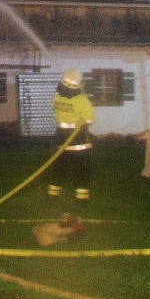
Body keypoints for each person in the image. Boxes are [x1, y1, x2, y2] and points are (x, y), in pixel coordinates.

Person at [48, 68, 93, 201]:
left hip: (61, 139)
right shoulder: (81, 100)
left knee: (58, 168)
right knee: (82, 169)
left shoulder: (57, 98)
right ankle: (82, 199)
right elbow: (89, 120)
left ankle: (52, 195)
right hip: (79, 140)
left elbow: (54, 109)